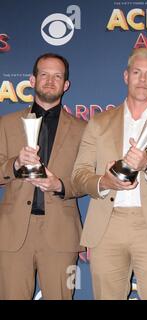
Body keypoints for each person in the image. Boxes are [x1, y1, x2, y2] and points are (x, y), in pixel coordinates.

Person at [71, 48, 147, 300]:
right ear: (126, 76)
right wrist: (104, 181)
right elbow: (79, 176)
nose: (142, 80)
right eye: (137, 72)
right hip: (107, 224)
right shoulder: (98, 123)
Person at [0, 53, 86, 299]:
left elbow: (88, 179)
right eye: (44, 74)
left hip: (61, 233)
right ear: (32, 79)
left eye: (57, 76)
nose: (50, 81)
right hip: (13, 233)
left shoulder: (83, 129)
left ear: (66, 84)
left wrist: (60, 185)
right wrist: (14, 164)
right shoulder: (6, 124)